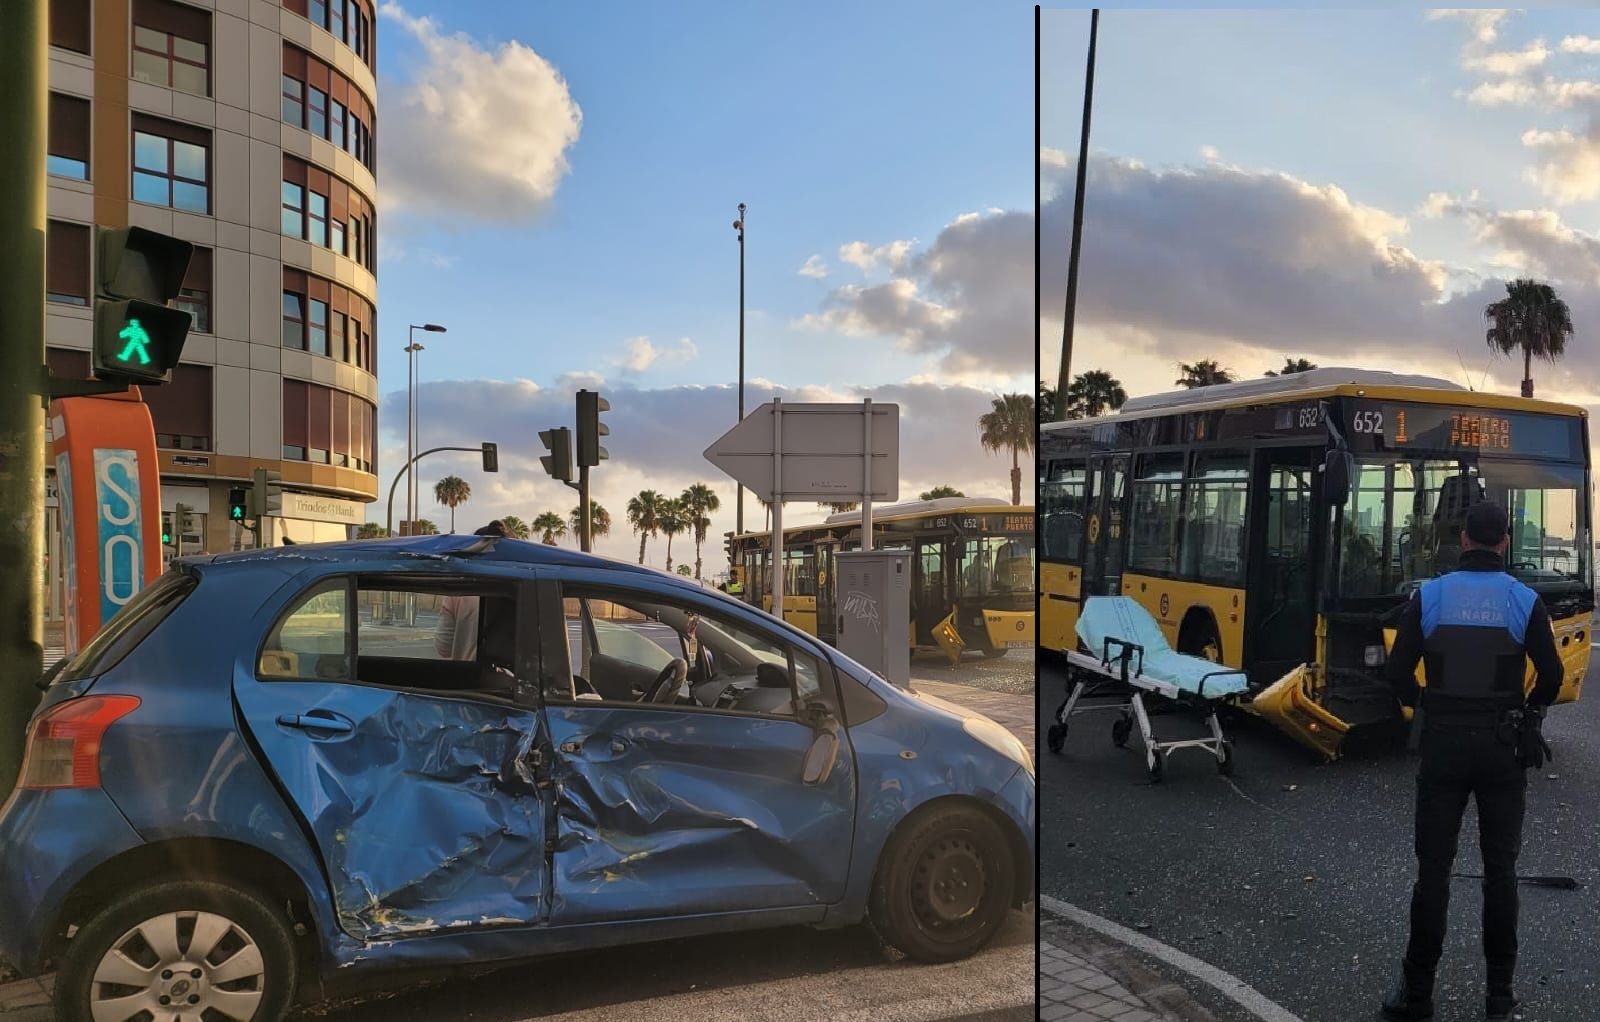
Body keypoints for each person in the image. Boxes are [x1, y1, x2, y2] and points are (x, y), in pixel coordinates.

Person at [1380, 500, 1562, 1022]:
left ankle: (1417, 996)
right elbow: (1548, 676)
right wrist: (1527, 714)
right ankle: (1499, 998)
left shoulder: (1430, 596)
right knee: (1500, 872)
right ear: (1504, 540)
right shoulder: (1524, 601)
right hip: (1502, 746)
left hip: (1442, 743)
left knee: (1433, 872)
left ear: (1462, 539)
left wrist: (1427, 705)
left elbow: (1397, 672)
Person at [434, 521, 506, 660]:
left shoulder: (457, 592)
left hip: (467, 678)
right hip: (515, 678)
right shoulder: (528, 591)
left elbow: (443, 647)